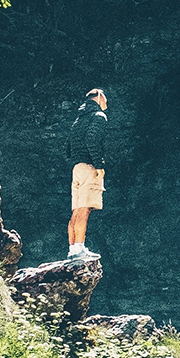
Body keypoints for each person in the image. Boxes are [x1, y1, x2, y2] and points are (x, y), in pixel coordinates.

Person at [68, 88, 108, 260]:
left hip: (77, 168)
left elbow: (68, 146)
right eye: (105, 98)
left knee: (76, 210)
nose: (107, 102)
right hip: (89, 167)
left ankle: (72, 249)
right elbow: (92, 139)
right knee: (84, 210)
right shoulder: (98, 116)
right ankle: (79, 249)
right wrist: (98, 165)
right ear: (99, 97)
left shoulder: (78, 119)